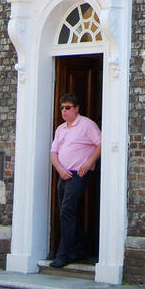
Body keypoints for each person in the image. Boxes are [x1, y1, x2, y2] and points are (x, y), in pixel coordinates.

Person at [49, 93, 101, 268]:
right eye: (62, 108)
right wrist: (60, 170)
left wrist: (89, 162)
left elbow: (101, 143)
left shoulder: (87, 125)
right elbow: (53, 152)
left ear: (76, 108)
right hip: (64, 175)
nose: (64, 111)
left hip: (77, 174)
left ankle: (64, 254)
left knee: (67, 210)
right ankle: (79, 249)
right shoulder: (60, 128)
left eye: (68, 107)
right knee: (66, 212)